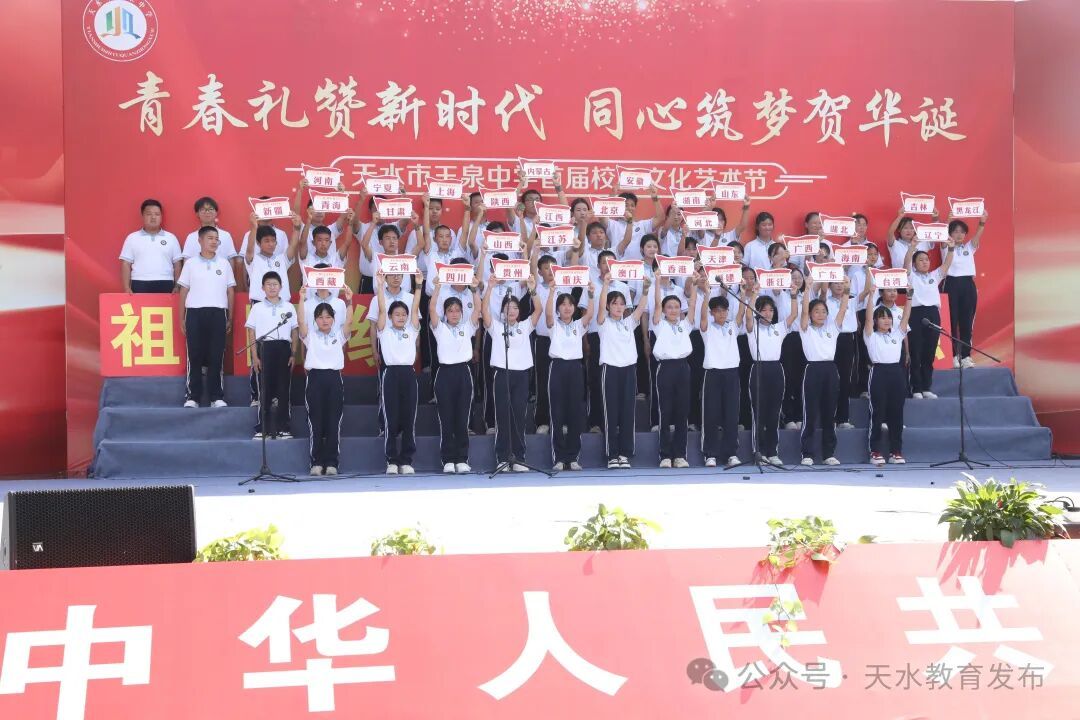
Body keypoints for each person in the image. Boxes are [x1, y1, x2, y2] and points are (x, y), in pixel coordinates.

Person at [483, 275, 542, 472]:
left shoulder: (525, 326)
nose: (512, 310)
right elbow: (484, 311)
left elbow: (539, 310)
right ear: (502, 311)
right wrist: (489, 288)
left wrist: (532, 289)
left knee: (519, 415)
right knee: (503, 416)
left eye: (515, 307)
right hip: (502, 374)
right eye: (508, 307)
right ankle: (502, 457)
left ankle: (518, 457)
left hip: (522, 375)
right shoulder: (496, 327)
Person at [245, 212, 302, 404]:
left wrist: (296, 228)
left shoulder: (281, 259)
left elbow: (292, 247)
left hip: (282, 307)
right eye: (266, 241)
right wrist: (254, 227)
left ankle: (279, 396)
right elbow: (249, 251)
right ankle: (257, 395)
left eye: (273, 241)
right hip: (261, 306)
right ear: (259, 242)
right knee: (259, 355)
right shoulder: (253, 259)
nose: (271, 244)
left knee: (281, 357)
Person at [296, 283, 353, 476]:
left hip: (334, 379)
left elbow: (349, 322)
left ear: (334, 319)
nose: (324, 320)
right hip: (315, 379)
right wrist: (301, 299)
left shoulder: (340, 335)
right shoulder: (310, 336)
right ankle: (316, 462)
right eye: (320, 317)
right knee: (316, 421)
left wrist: (349, 301)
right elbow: (301, 321)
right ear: (315, 320)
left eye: (328, 317)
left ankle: (332, 463)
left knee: (333, 422)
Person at [177, 226, 235, 408]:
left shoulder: (224, 264)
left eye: (216, 239)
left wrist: (230, 317)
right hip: (194, 313)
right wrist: (181, 317)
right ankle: (193, 397)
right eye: (210, 238)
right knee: (194, 355)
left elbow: (230, 291)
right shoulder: (190, 263)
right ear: (200, 240)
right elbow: (183, 291)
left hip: (218, 313)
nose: (214, 242)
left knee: (216, 355)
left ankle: (216, 397)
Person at [597, 275, 651, 469]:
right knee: (611, 413)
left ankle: (624, 454)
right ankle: (612, 455)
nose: (619, 307)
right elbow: (600, 307)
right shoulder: (603, 322)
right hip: (610, 370)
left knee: (628, 413)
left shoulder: (629, 322)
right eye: (614, 304)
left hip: (628, 370)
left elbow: (640, 308)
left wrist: (645, 290)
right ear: (608, 306)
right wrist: (605, 285)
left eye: (622, 304)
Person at [430, 273, 482, 473]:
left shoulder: (467, 327)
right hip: (444, 374)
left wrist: (474, 289)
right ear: (445, 313)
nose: (454, 314)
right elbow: (432, 309)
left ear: (461, 312)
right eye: (450, 310)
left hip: (463, 373)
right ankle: (448, 460)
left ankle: (462, 458)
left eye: (457, 310)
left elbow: (477, 309)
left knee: (462, 418)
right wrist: (437, 288)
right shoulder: (439, 328)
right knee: (446, 418)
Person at [744, 282, 799, 466]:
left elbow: (793, 315)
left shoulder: (779, 328)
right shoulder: (753, 328)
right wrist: (754, 294)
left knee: (774, 412)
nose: (767, 313)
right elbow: (748, 316)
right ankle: (758, 452)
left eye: (770, 310)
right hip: (758, 369)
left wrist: (793, 295)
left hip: (776, 369)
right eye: (763, 310)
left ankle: (772, 451)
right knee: (758, 412)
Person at [375, 270, 424, 475]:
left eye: (404, 314)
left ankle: (406, 460)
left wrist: (419, 286)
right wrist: (380, 285)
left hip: (408, 375)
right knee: (391, 418)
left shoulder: (412, 329)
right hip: (390, 375)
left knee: (409, 417)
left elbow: (415, 309)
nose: (401, 317)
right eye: (397, 314)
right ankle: (392, 461)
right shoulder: (384, 330)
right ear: (390, 317)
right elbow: (381, 309)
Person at [798, 279, 849, 465]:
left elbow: (842, 309)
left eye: (823, 311)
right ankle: (807, 454)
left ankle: (828, 453)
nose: (820, 314)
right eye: (816, 311)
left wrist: (847, 288)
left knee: (829, 413)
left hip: (830, 370)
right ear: (811, 314)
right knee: (810, 413)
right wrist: (807, 289)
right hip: (812, 369)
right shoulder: (805, 329)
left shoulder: (832, 329)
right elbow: (803, 311)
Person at [650, 271, 698, 468]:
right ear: (663, 310)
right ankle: (665, 455)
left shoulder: (685, 325)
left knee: (682, 411)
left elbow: (692, 305)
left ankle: (680, 455)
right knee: (665, 410)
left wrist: (695, 284)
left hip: (683, 367)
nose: (673, 310)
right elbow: (656, 303)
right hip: (665, 368)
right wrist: (656, 281)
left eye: (677, 307)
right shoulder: (658, 324)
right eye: (669, 307)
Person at [863, 274, 912, 466]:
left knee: (896, 413)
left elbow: (905, 317)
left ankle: (896, 451)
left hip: (896, 374)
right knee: (877, 412)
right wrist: (871, 296)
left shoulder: (897, 334)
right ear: (875, 321)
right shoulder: (870, 335)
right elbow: (868, 317)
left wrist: (909, 297)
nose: (886, 320)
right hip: (878, 373)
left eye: (888, 318)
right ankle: (875, 451)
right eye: (882, 318)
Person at [545, 283, 595, 471]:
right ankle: (558, 457)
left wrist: (591, 294)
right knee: (556, 413)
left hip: (575, 368)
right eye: (563, 304)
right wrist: (552, 292)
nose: (567, 307)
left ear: (574, 308)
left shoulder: (578, 325)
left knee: (576, 412)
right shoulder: (554, 325)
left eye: (570, 304)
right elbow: (548, 315)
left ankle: (573, 456)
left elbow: (590, 314)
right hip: (557, 367)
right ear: (558, 308)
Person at [244, 271, 298, 440]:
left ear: (281, 287)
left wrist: (293, 353)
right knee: (264, 390)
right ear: (263, 288)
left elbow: (295, 331)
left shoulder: (289, 307)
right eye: (268, 284)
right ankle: (263, 428)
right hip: (265, 348)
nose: (272, 287)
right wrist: (255, 357)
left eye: (275, 284)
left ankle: (284, 428)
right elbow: (251, 332)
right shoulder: (257, 307)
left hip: (284, 349)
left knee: (284, 389)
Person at [698, 285, 745, 469]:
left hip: (731, 373)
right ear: (712, 313)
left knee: (731, 415)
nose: (722, 314)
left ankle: (731, 453)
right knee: (711, 414)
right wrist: (707, 294)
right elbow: (702, 316)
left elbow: (741, 313)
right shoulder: (707, 328)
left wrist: (743, 292)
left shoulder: (732, 326)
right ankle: (710, 454)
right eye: (717, 311)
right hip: (713, 373)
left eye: (724, 310)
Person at [905, 236, 957, 399]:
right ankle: (916, 388)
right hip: (916, 314)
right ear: (915, 264)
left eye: (926, 260)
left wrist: (951, 248)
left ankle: (926, 387)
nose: (925, 262)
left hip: (933, 314)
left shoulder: (934, 276)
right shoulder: (911, 276)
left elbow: (946, 265)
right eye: (920, 260)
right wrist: (912, 248)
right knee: (916, 352)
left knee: (929, 352)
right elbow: (906, 265)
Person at [944, 211, 988, 369]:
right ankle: (952, 355)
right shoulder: (945, 246)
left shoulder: (969, 247)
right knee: (951, 320)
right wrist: (947, 220)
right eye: (955, 231)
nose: (959, 234)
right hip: (951, 284)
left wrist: (982, 222)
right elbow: (943, 235)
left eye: (962, 232)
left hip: (968, 285)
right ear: (950, 233)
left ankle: (965, 356)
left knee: (966, 321)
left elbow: (977, 236)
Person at [120, 199, 181, 293]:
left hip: (165, 281)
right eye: (149, 214)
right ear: (142, 216)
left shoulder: (171, 238)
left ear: (161, 217)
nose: (153, 217)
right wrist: (126, 288)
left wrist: (177, 286)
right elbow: (126, 264)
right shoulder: (132, 238)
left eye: (157, 214)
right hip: (139, 282)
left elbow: (177, 264)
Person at [823, 277, 859, 429]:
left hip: (847, 340)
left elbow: (866, 292)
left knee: (845, 379)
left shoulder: (852, 301)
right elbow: (822, 292)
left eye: (842, 283)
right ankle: (828, 418)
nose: (839, 285)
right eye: (836, 283)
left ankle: (843, 418)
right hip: (830, 339)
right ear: (829, 285)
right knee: (830, 379)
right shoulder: (825, 301)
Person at [181, 197, 240, 282]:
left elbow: (231, 260)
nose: (207, 212)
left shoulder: (226, 235)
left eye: (210, 209)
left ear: (216, 213)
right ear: (197, 214)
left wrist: (230, 282)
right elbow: (186, 261)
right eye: (203, 209)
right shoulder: (191, 237)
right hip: (197, 281)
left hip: (220, 280)